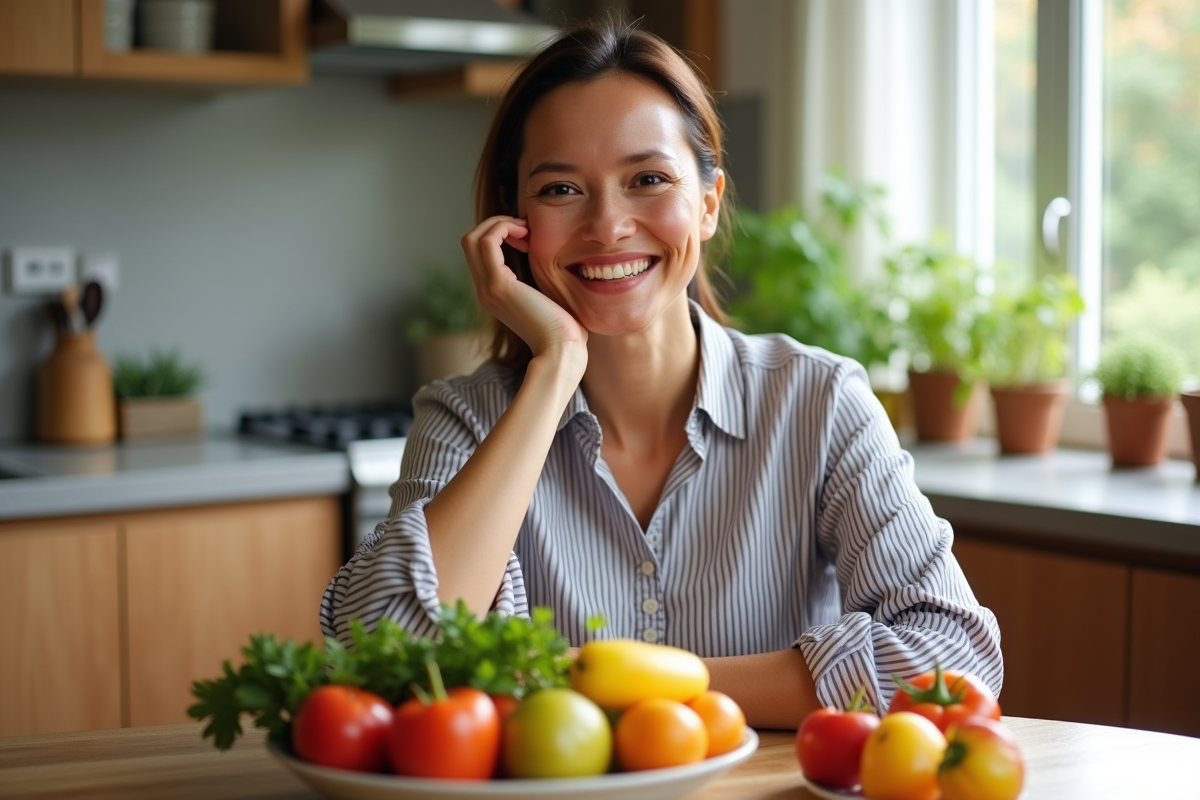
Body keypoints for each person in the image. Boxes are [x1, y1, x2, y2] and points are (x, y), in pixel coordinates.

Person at [321, 21, 1002, 729]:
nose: (608, 225)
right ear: (515, 222)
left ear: (707, 204)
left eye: (647, 179)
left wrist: (643, 684)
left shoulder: (820, 403)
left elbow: (952, 664)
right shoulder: (467, 419)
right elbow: (383, 658)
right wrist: (555, 369)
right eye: (560, 189)